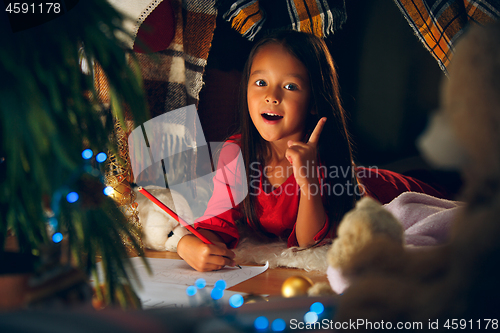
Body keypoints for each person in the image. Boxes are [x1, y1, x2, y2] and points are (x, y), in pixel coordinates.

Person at [177, 30, 445, 272]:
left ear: (315, 101)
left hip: (380, 190)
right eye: (260, 83)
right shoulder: (235, 153)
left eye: (290, 86)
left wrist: (308, 181)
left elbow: (310, 244)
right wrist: (186, 244)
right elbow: (214, 225)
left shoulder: (322, 158)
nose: (272, 96)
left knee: (452, 199)